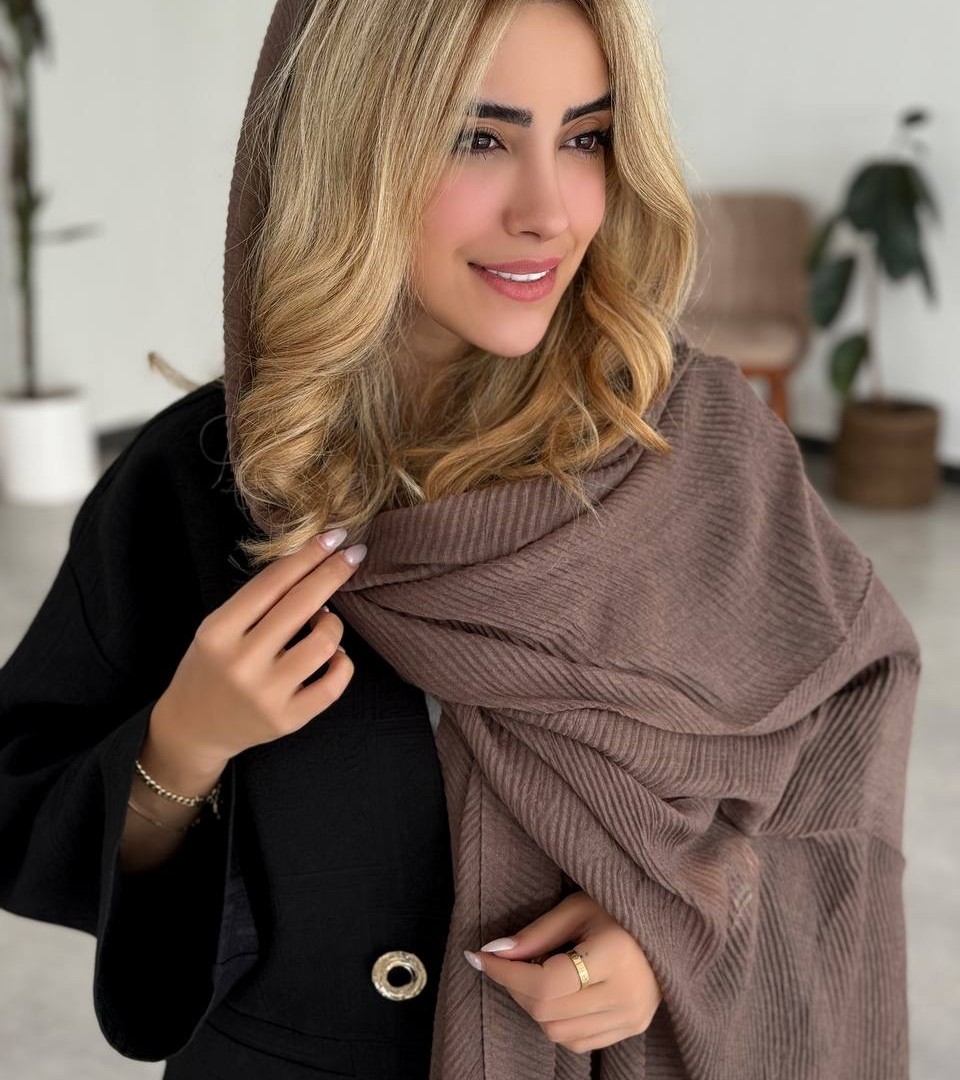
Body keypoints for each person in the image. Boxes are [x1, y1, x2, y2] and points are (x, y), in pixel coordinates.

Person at [0, 1, 920, 1079]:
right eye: (476, 137)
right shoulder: (195, 483)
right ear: (349, 149)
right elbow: (23, 811)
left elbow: (843, 738)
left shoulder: (695, 447)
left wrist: (676, 938)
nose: (548, 211)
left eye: (586, 137)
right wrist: (181, 748)